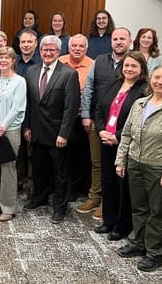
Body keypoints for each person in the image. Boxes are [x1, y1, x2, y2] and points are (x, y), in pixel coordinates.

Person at [115, 64, 162, 272]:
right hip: (135, 164)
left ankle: (155, 253)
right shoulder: (140, 103)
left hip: (159, 169)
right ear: (150, 80)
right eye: (157, 77)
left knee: (158, 213)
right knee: (138, 208)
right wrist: (121, 160)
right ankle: (137, 243)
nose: (159, 82)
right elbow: (127, 134)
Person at [23, 35, 80, 224]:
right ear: (40, 52)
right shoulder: (31, 71)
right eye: (44, 50)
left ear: (58, 52)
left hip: (58, 134)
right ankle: (39, 199)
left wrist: (64, 134)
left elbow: (71, 108)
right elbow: (30, 103)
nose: (47, 53)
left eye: (52, 50)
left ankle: (60, 208)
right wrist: (27, 126)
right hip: (37, 131)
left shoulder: (68, 74)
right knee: (39, 169)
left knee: (60, 174)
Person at [93, 51, 148, 241]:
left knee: (122, 185)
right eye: (126, 66)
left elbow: (140, 121)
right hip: (105, 139)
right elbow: (99, 108)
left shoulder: (144, 90)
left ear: (141, 69)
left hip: (125, 144)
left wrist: (117, 137)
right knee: (108, 182)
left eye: (134, 66)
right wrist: (100, 131)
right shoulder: (114, 83)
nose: (129, 69)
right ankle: (108, 221)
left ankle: (122, 226)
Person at [78, 27, 131, 219]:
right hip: (97, 120)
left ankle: (109, 203)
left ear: (129, 41)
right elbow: (89, 88)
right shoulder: (100, 60)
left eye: (122, 39)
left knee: (114, 164)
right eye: (115, 38)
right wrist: (85, 114)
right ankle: (95, 197)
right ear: (111, 41)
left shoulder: (133, 64)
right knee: (96, 162)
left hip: (120, 126)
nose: (118, 42)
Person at [0, 46, 26, 222]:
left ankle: (7, 207)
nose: (3, 61)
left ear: (13, 61)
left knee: (8, 169)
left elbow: (17, 108)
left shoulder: (20, 81)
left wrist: (2, 128)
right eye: (0, 58)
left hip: (10, 130)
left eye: (6, 58)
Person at [59, 34, 94, 200]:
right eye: (74, 46)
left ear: (86, 49)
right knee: (62, 154)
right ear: (69, 47)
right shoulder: (60, 61)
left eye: (81, 46)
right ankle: (60, 186)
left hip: (81, 117)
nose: (77, 49)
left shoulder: (93, 65)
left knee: (79, 155)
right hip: (62, 116)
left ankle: (74, 189)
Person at [14, 29, 41, 195]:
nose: (25, 45)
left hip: (32, 114)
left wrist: (28, 125)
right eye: (23, 42)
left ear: (36, 44)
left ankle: (32, 186)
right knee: (17, 152)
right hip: (14, 114)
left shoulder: (39, 63)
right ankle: (18, 181)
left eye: (29, 42)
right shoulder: (13, 62)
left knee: (32, 153)